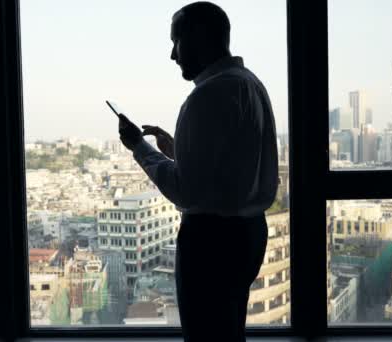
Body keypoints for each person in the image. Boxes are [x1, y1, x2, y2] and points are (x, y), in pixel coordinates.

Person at [117, 2, 278, 341]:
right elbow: (232, 165)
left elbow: (186, 191)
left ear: (200, 37)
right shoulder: (249, 85)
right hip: (248, 232)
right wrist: (177, 150)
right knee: (228, 330)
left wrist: (139, 147)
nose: (173, 55)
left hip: (211, 241)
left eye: (176, 41)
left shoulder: (207, 95)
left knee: (205, 336)